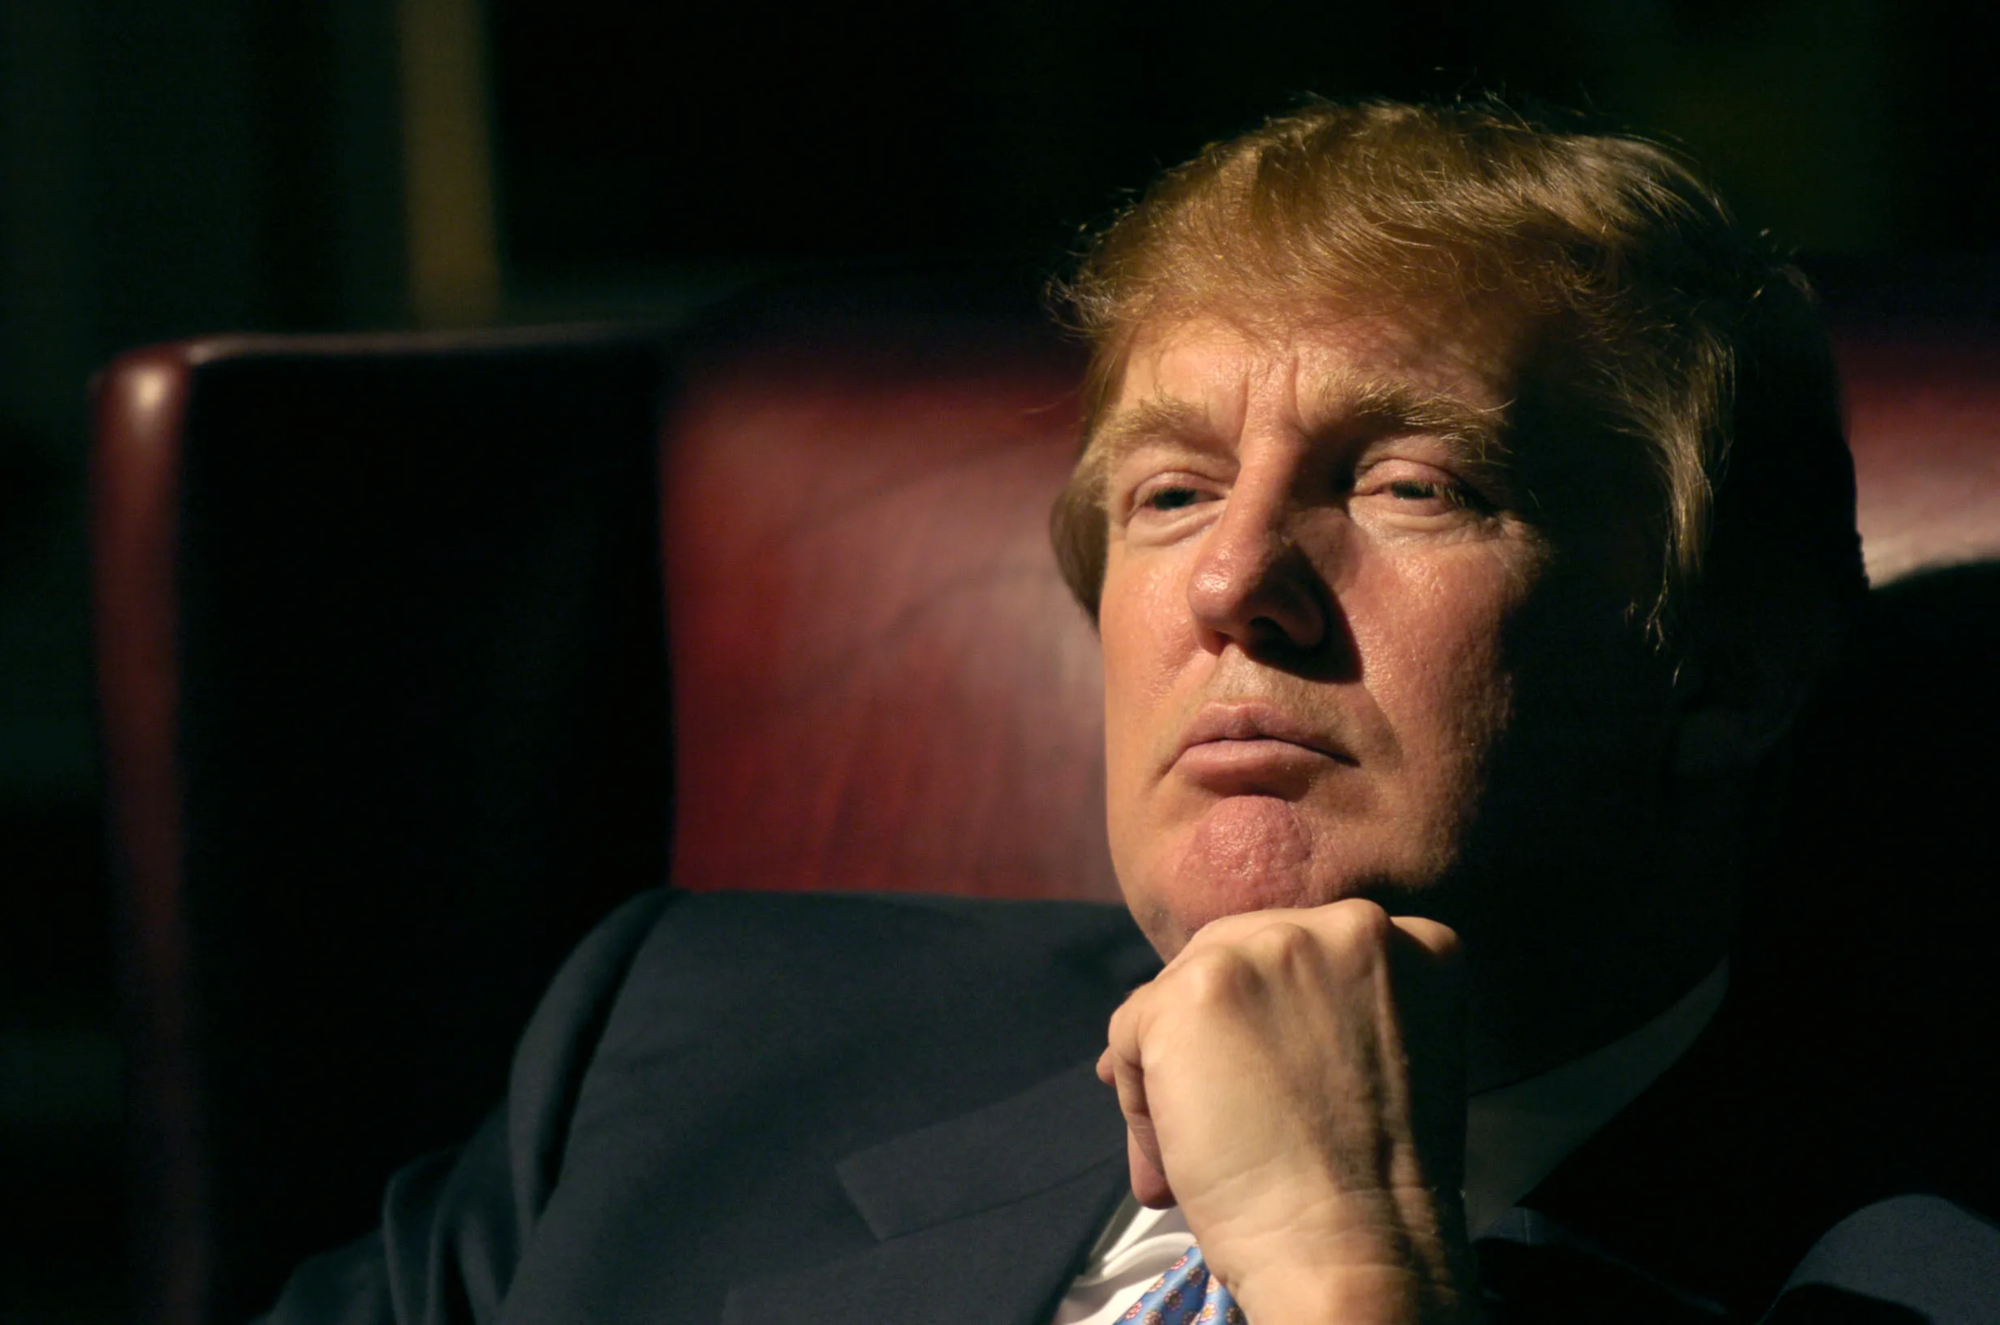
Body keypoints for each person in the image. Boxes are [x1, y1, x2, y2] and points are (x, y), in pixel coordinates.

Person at [259, 100, 1999, 1324]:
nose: (1234, 578)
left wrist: (1341, 1264)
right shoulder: (688, 1053)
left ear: (1732, 667)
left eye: (1410, 483)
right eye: (1169, 494)